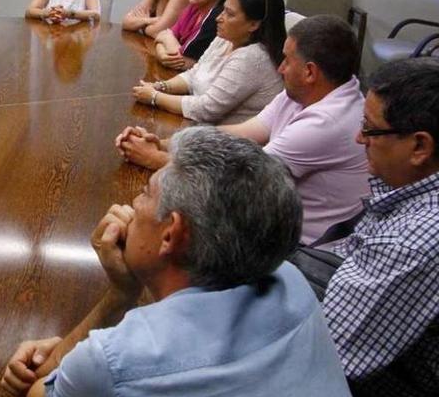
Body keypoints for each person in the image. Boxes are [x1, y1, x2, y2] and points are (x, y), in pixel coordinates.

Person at [1, 126, 356, 397]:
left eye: (145, 192)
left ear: (171, 233)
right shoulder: (289, 280)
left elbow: (38, 394)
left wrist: (120, 295)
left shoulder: (116, 362)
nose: (133, 203)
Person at [117, 15, 370, 244]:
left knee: (165, 232)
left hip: (298, 246)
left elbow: (246, 185)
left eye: (287, 60)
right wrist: (166, 142)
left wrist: (154, 159)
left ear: (310, 71)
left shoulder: (326, 122)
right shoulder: (311, 92)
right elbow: (244, 132)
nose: (280, 68)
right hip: (273, 215)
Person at [321, 58, 439, 397]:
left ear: (420, 147)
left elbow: (320, 358)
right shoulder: (407, 189)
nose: (359, 138)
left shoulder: (415, 240)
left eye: (370, 130)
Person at [132, 0, 285, 125]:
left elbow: (206, 109)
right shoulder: (226, 38)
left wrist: (154, 97)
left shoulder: (252, 57)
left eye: (229, 14)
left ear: (253, 24)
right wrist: (160, 86)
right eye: (223, 9)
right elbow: (194, 74)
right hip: (199, 126)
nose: (219, 18)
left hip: (228, 142)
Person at [153, 0, 243, 71]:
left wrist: (165, 41)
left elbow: (184, 62)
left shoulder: (215, 17)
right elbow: (163, 35)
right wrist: (162, 54)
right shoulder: (194, 7)